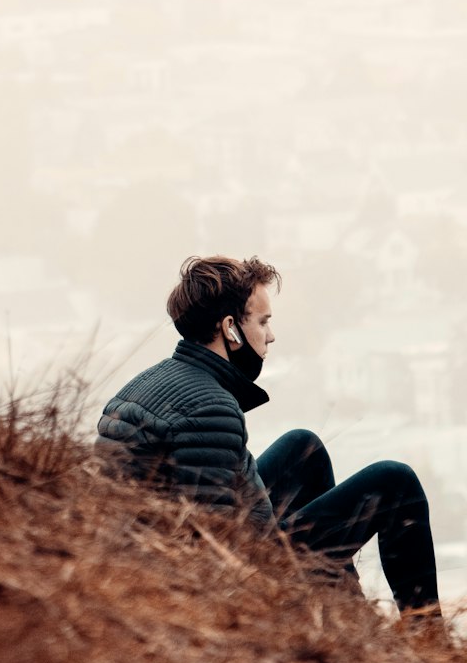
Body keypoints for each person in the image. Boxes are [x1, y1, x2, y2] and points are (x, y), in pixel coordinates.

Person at [96, 254, 441, 618]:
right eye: (263, 322)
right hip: (237, 575)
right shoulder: (211, 407)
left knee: (302, 447)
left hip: (158, 554)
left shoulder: (150, 381)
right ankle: (429, 635)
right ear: (230, 328)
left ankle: (350, 616)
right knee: (395, 482)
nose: (271, 335)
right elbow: (216, 548)